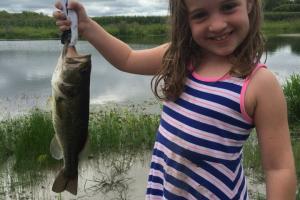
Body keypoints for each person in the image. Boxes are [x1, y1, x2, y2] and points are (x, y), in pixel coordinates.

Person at [53, 0, 297, 199]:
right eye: (200, 15)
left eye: (228, 6)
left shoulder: (260, 84)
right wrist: (86, 26)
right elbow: (127, 58)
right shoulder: (179, 57)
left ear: (250, 5)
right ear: (186, 20)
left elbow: (279, 169)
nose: (217, 25)